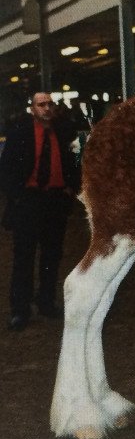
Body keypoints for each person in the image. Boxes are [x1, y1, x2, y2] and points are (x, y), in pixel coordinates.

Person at [0, 92, 80, 331]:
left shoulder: (65, 132)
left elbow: (76, 161)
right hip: (29, 201)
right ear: (32, 109)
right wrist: (17, 196)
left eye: (49, 104)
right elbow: (5, 169)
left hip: (55, 201)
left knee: (52, 255)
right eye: (41, 105)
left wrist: (71, 188)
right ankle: (20, 310)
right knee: (24, 257)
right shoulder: (19, 134)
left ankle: (46, 302)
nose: (46, 108)